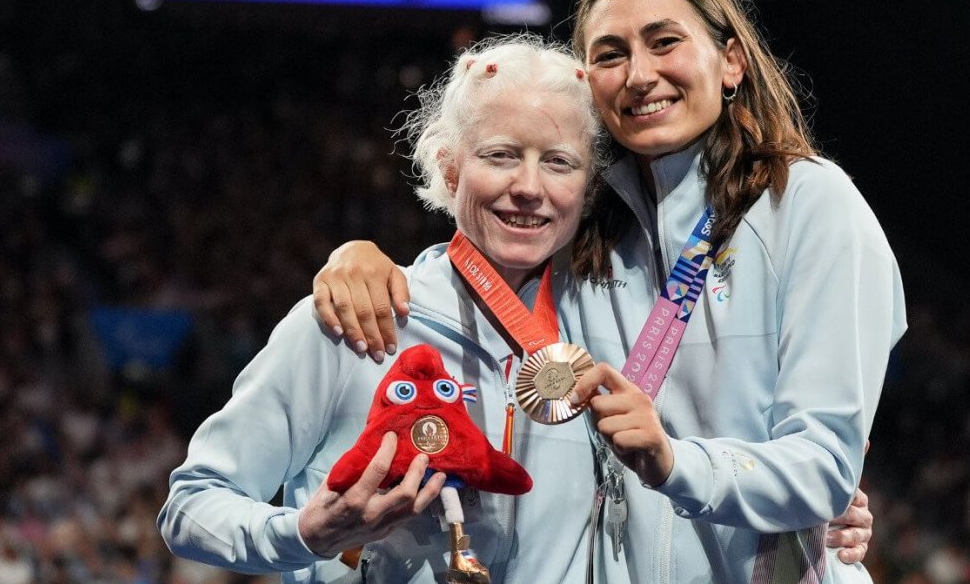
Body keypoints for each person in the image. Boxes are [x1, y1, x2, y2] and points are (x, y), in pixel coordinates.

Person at [312, 0, 900, 581]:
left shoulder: (809, 203)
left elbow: (824, 468)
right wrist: (364, 260)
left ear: (731, 61)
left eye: (664, 41)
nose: (639, 74)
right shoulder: (592, 230)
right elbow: (488, 271)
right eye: (611, 54)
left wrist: (674, 462)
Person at [158, 35, 626, 583]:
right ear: (449, 168)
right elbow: (191, 504)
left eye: (558, 162)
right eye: (500, 155)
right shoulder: (353, 320)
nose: (528, 186)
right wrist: (305, 535)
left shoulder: (604, 334)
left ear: (588, 188)